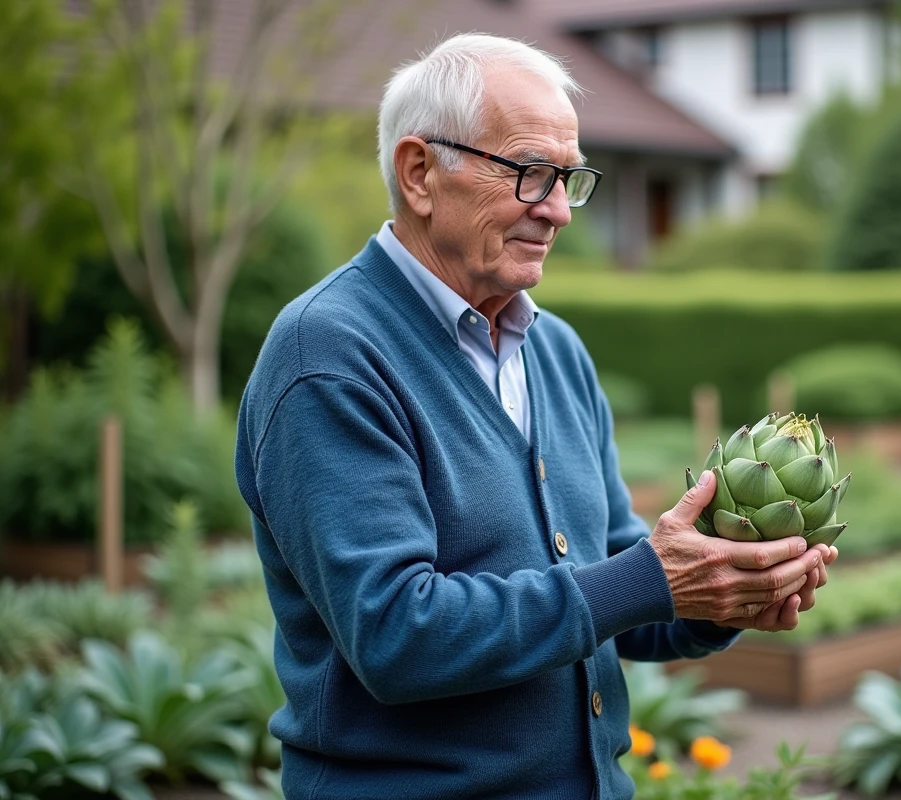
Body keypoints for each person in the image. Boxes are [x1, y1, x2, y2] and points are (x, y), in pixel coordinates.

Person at [234, 32, 837, 800]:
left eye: (568, 179)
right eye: (529, 173)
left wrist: (728, 588)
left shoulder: (554, 350)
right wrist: (645, 578)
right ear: (420, 173)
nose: (558, 210)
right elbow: (395, 636)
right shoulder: (326, 355)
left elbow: (617, 577)